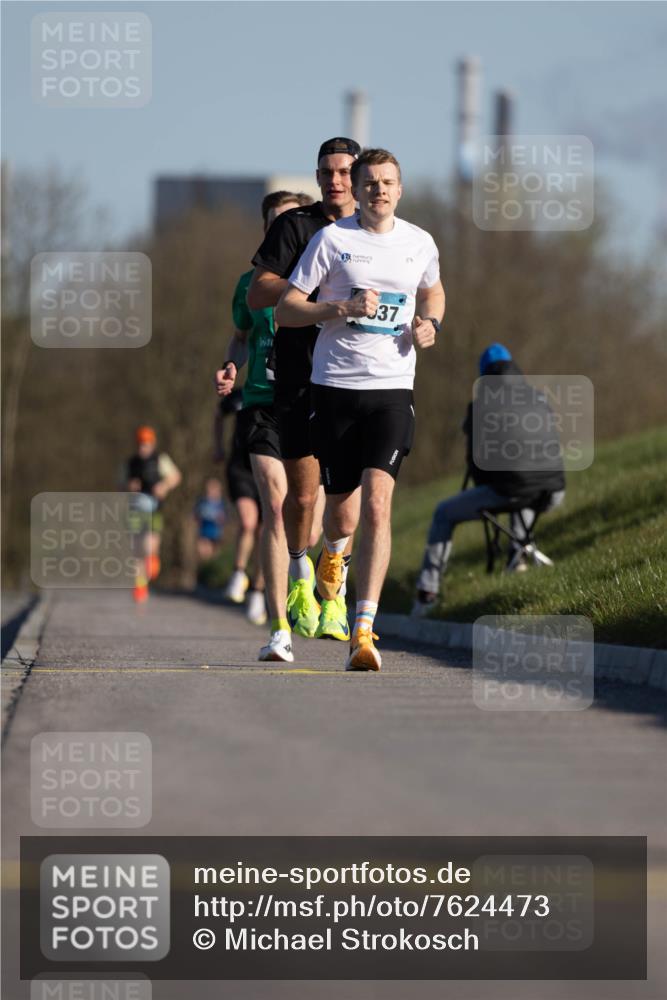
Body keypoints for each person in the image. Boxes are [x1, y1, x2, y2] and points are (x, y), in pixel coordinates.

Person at [276, 147, 445, 670]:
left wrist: (430, 326)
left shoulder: (420, 242)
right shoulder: (333, 240)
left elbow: (433, 292)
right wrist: (340, 307)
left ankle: (364, 629)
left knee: (377, 504)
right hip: (334, 388)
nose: (379, 190)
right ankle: (332, 554)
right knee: (342, 513)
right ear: (359, 188)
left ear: (400, 187)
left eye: (388, 182)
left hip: (393, 389)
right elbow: (286, 308)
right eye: (369, 182)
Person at [245, 139, 362, 659]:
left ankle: (334, 595)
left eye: (343, 172)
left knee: (352, 494)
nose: (334, 181)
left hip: (359, 375)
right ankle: (299, 565)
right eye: (326, 172)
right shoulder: (296, 227)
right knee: (305, 497)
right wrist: (312, 290)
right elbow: (257, 293)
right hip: (298, 374)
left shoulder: (381, 230)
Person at [216, 190, 314, 660]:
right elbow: (239, 339)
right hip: (260, 402)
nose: (286, 233)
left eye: (293, 223)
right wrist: (231, 368)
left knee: (304, 515)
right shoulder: (247, 285)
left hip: (311, 400)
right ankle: (279, 629)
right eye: (277, 225)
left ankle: (304, 571)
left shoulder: (327, 276)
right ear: (266, 232)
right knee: (273, 507)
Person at [412, 344, 566, 615]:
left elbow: (476, 467)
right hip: (553, 491)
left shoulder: (481, 405)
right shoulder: (539, 398)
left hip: (512, 491)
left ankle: (427, 593)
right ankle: (518, 558)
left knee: (443, 513)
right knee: (525, 490)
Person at [214, 388, 266, 625]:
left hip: (269, 466)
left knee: (266, 533)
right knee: (248, 522)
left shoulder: (282, 389)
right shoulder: (238, 395)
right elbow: (219, 415)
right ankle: (238, 573)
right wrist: (218, 447)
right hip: (241, 468)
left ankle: (257, 592)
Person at [123, 425, 181, 602]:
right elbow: (120, 484)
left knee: (150, 545)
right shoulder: (130, 463)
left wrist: (163, 486)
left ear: (152, 444)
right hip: (135, 510)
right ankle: (140, 585)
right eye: (141, 444)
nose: (143, 448)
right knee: (137, 548)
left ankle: (153, 560)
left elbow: (176, 477)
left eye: (146, 444)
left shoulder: (160, 460)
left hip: (154, 508)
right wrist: (128, 487)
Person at [193, 477, 226, 562]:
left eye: (214, 489)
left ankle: (212, 565)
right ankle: (204, 566)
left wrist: (219, 518)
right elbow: (196, 515)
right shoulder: (202, 502)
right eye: (209, 489)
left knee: (212, 554)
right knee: (202, 551)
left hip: (215, 533)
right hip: (203, 532)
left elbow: (224, 519)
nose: (211, 492)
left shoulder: (221, 504)